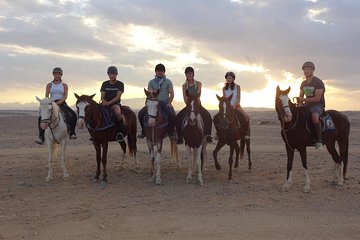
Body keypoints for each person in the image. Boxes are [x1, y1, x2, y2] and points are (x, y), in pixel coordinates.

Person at [35, 67, 77, 145]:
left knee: (73, 114)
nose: (57, 76)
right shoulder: (49, 85)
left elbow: (65, 96)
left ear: (61, 75)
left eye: (58, 74)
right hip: (51, 103)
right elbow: (47, 96)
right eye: (55, 74)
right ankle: (41, 137)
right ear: (53, 75)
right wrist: (49, 102)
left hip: (61, 102)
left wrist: (61, 101)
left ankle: (72, 132)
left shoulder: (64, 85)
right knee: (41, 117)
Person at [137, 63, 176, 140]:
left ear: (164, 72)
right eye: (158, 71)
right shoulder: (151, 82)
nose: (160, 72)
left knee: (172, 114)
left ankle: (171, 132)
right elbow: (150, 92)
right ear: (155, 72)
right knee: (141, 113)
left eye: (161, 71)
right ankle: (143, 131)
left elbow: (171, 93)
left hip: (164, 102)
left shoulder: (168, 82)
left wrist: (169, 103)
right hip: (153, 102)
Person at [175, 66, 212, 144]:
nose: (189, 75)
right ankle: (180, 137)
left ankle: (208, 135)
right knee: (178, 117)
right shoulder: (184, 85)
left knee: (208, 116)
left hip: (197, 104)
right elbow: (184, 97)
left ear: (193, 74)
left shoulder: (198, 83)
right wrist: (188, 104)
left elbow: (198, 95)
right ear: (185, 75)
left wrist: (195, 104)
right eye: (187, 74)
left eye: (190, 73)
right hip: (188, 105)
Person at [297, 61, 325, 150]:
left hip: (317, 105)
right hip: (307, 105)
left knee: (314, 117)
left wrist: (303, 100)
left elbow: (317, 98)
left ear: (313, 70)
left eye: (309, 69)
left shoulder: (318, 82)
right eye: (305, 69)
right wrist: (300, 104)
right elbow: (300, 96)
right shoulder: (303, 83)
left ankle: (318, 140)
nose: (307, 71)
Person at [218, 71, 250, 140]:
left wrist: (234, 106)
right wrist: (228, 107)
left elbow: (238, 98)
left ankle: (245, 133)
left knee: (247, 117)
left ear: (233, 79)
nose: (228, 79)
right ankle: (218, 134)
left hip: (236, 106)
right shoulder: (224, 88)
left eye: (230, 78)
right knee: (216, 117)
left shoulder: (237, 87)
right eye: (227, 78)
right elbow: (224, 99)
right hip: (227, 108)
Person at [100, 66, 125, 142]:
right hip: (105, 103)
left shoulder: (120, 84)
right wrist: (104, 101)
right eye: (110, 74)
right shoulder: (105, 84)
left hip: (115, 103)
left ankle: (120, 132)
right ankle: (96, 132)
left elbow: (118, 97)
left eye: (113, 74)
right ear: (108, 75)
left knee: (117, 113)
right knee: (96, 112)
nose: (111, 76)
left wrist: (109, 103)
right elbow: (102, 96)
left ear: (116, 75)